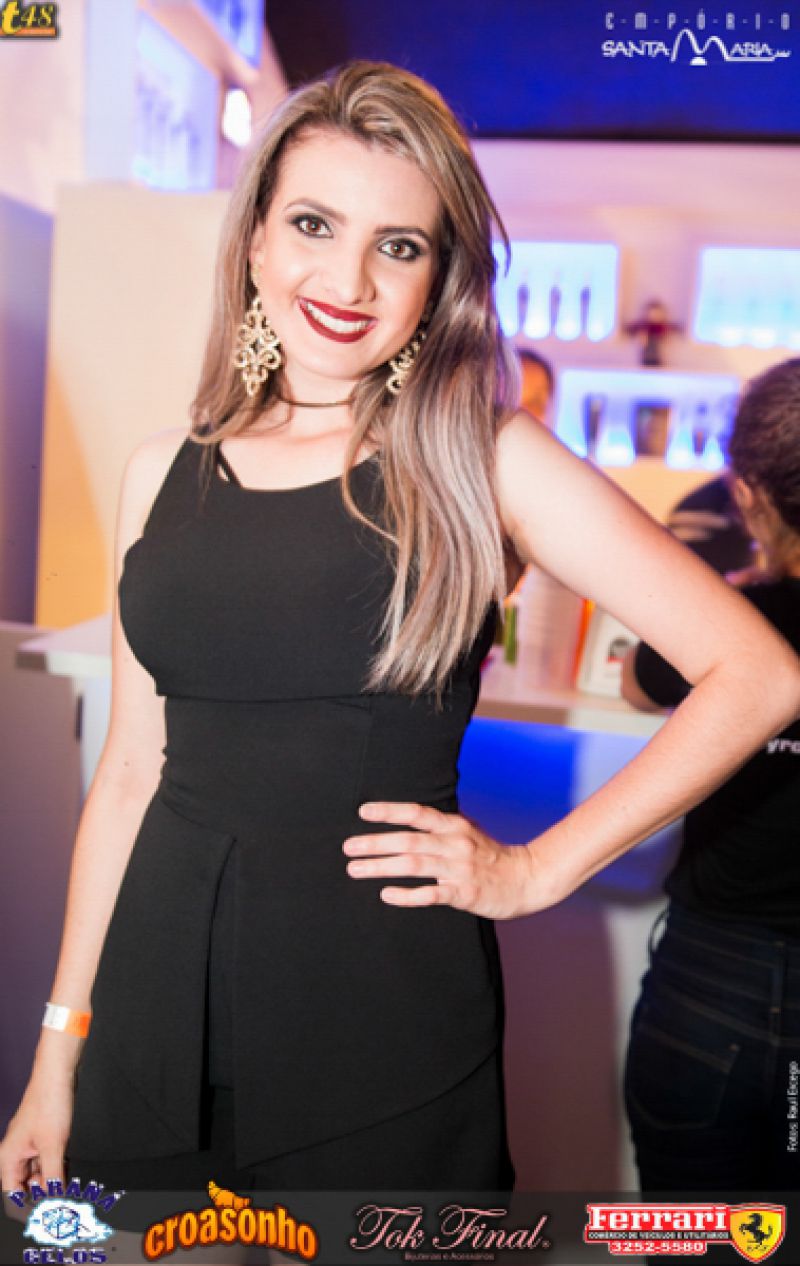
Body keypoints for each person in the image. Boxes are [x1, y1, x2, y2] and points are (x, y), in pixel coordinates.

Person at [1, 59, 799, 1225]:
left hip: (379, 1025)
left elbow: (759, 673)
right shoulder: (160, 473)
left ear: (438, 279)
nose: (348, 279)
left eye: (399, 245)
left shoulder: (482, 460)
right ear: (255, 242)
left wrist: (533, 869)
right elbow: (128, 773)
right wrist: (56, 1051)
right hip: (153, 1007)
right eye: (313, 225)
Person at [621, 357, 800, 1191]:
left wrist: (743, 590)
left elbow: (638, 679)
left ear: (749, 495)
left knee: (692, 1236)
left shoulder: (734, 624)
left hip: (709, 985)